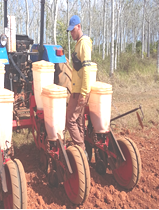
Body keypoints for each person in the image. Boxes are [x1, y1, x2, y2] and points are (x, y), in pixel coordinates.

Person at [66, 15, 93, 160]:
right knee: (78, 121)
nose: (71, 33)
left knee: (70, 119)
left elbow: (87, 70)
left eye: (73, 30)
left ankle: (82, 151)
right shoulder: (79, 43)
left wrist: (83, 93)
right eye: (70, 31)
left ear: (79, 27)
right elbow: (80, 69)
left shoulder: (84, 43)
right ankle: (84, 152)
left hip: (80, 91)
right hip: (78, 90)